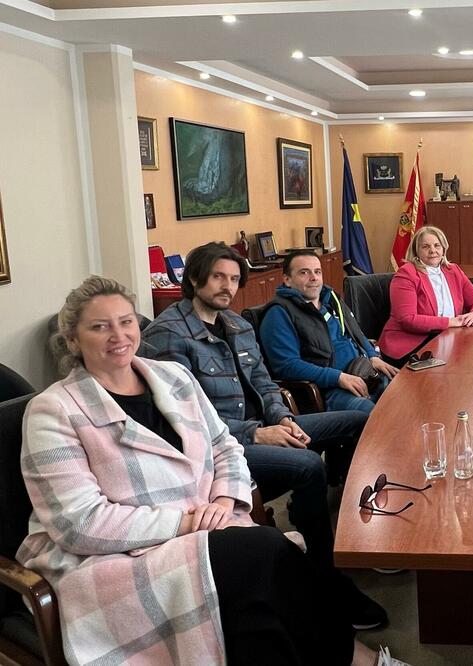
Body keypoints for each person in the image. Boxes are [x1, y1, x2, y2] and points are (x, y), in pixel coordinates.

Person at [18, 276, 409, 666]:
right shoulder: (53, 410)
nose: (118, 335)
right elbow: (79, 522)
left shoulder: (172, 377)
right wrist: (186, 523)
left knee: (257, 598)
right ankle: (362, 660)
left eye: (126, 321)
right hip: (118, 557)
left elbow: (225, 445)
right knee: (268, 552)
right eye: (99, 326)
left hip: (210, 524)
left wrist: (224, 499)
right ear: (73, 340)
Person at [141, 242, 387, 630]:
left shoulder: (237, 325)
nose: (227, 286)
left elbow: (265, 383)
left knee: (359, 421)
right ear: (195, 279)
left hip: (264, 426)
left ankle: (342, 528)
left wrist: (283, 418)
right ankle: (325, 577)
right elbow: (184, 420)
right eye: (218, 277)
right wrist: (257, 433)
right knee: (308, 466)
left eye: (233, 279)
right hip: (220, 446)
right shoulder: (168, 335)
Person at [259, 249, 399, 414]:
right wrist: (338, 377)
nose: (314, 278)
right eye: (304, 272)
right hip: (331, 390)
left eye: (317, 272)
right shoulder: (278, 314)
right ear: (287, 280)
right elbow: (287, 366)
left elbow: (357, 333)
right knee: (378, 417)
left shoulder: (331, 299)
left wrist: (372, 356)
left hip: (365, 373)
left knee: (407, 397)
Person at [378, 225, 473, 364]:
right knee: (453, 368)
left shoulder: (453, 270)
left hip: (447, 336)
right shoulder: (406, 274)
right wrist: (450, 322)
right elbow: (407, 319)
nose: (433, 250)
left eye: (437, 245)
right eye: (425, 246)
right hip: (409, 344)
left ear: (443, 248)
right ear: (416, 251)